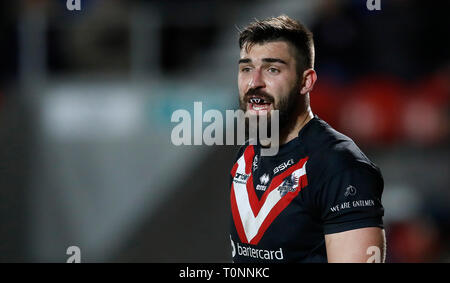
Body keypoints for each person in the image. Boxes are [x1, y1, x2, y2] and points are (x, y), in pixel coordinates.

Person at [229, 15, 386, 263]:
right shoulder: (246, 156)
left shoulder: (339, 165)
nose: (254, 82)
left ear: (306, 81)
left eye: (272, 69)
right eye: (246, 68)